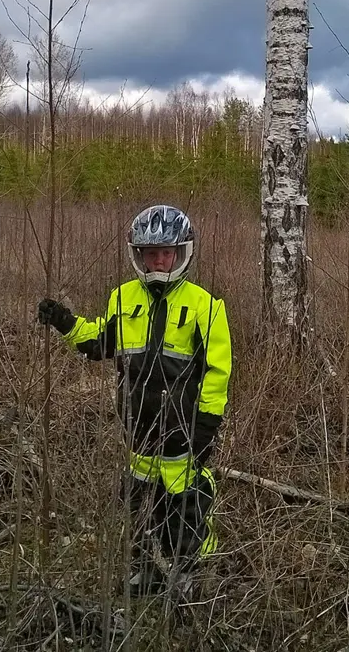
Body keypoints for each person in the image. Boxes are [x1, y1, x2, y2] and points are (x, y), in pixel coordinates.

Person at [36, 204, 232, 600]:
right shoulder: (122, 298)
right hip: (137, 423)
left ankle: (187, 570)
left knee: (183, 500)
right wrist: (65, 322)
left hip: (183, 427)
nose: (159, 260)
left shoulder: (206, 306)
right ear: (138, 255)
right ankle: (145, 568)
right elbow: (101, 343)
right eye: (151, 253)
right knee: (138, 500)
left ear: (181, 253)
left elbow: (217, 371)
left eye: (166, 252)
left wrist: (206, 427)